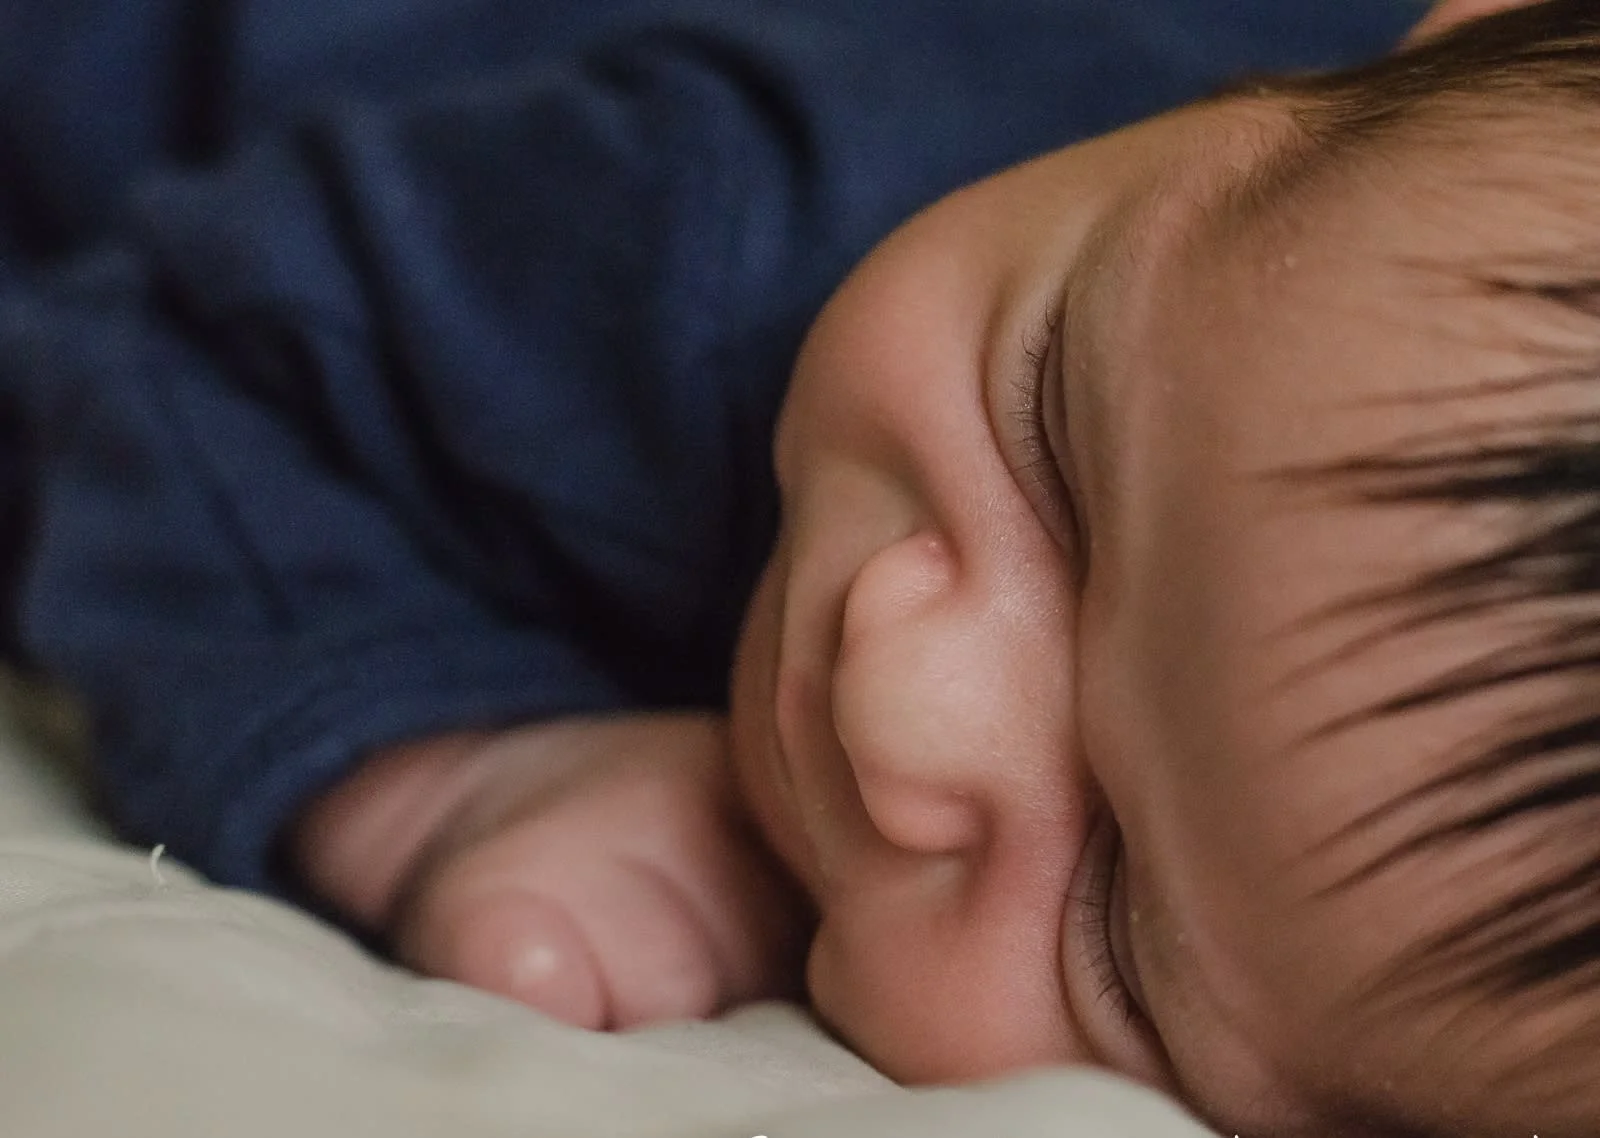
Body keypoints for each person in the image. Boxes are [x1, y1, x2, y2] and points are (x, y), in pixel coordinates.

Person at [3, 0, 1595, 1133]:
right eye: (1049, 440)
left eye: (1112, 906)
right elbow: (160, 361)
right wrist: (455, 771)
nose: (902, 690)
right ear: (1430, 29)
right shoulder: (707, 218)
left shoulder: (1228, 281)